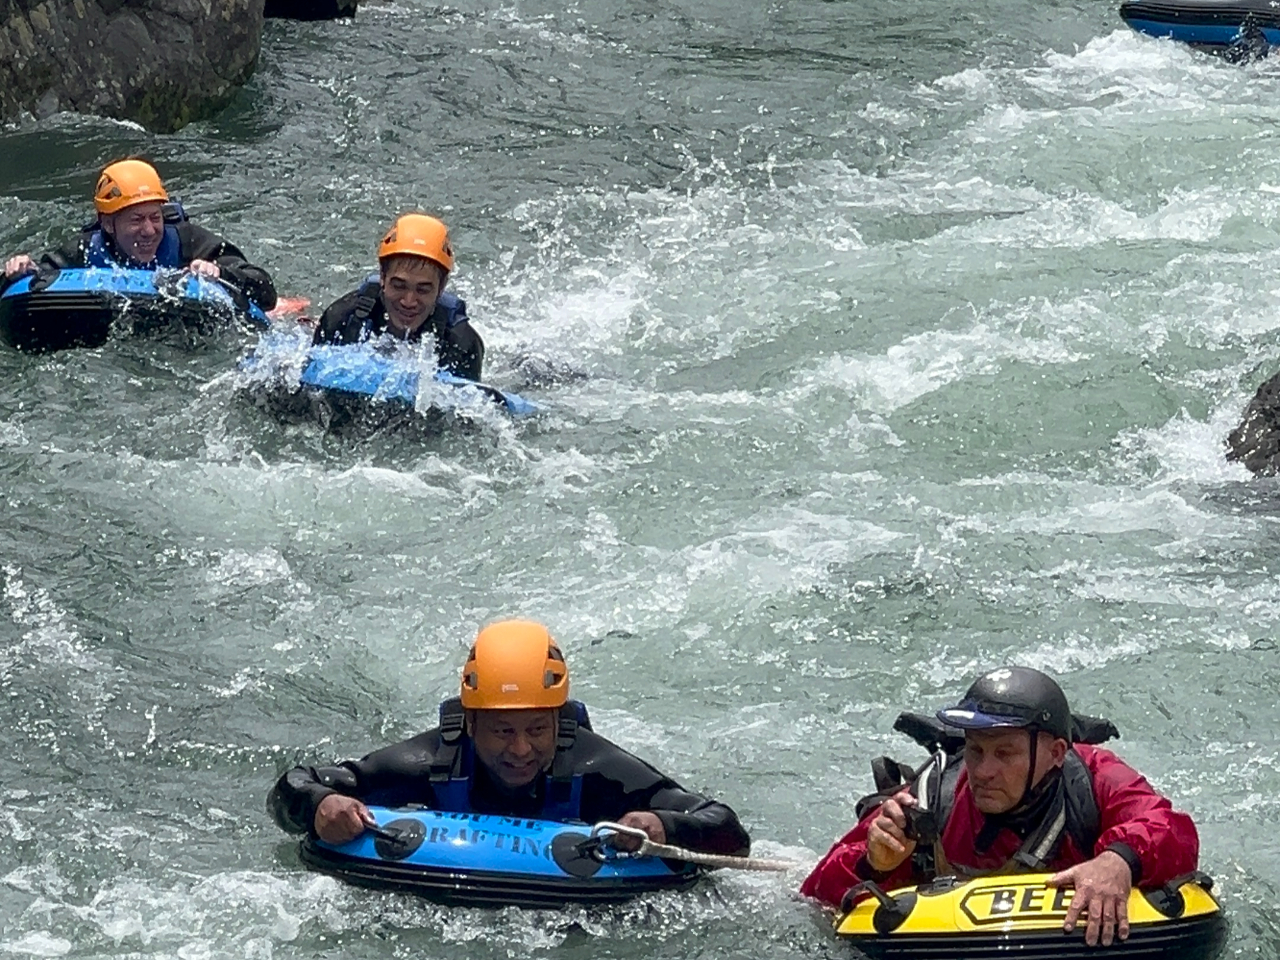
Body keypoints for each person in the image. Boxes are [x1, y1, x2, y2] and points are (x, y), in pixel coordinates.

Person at [268, 619, 751, 857]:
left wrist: (664, 825)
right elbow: (295, 783)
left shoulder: (592, 764)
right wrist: (318, 804)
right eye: (502, 731)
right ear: (471, 722)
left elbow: (726, 827)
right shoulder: (432, 758)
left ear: (558, 722)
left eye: (537, 729)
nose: (520, 750)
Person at [801, 667, 1200, 948]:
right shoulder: (930, 797)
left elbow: (1170, 829)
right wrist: (876, 864)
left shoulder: (1095, 779)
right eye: (976, 750)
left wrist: (1118, 861)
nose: (983, 772)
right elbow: (816, 894)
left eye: (1004, 753)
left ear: (1056, 752)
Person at [1, 158, 277, 311]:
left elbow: (264, 289)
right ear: (108, 225)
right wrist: (20, 272)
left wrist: (220, 273)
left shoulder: (186, 240)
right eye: (136, 220)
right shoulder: (84, 251)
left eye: (155, 217)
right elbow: (33, 286)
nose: (149, 230)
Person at [310, 213, 485, 382]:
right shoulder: (341, 320)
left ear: (441, 288)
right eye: (399, 286)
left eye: (423, 290)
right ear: (382, 278)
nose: (409, 301)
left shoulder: (461, 344)